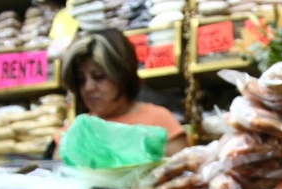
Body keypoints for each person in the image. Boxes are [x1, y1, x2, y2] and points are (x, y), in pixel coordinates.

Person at [53, 29, 187, 159]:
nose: (88, 88)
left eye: (99, 76)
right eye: (81, 80)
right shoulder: (74, 133)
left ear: (122, 75)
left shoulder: (158, 120)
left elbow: (184, 173)